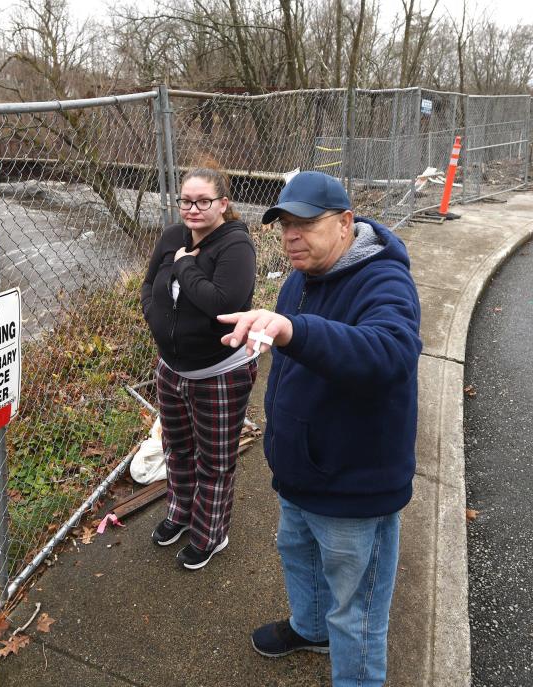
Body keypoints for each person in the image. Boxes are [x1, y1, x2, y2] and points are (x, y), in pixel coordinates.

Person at [217, 171, 422, 686]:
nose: (290, 235)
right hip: (301, 470)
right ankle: (309, 629)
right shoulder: (298, 278)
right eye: (284, 224)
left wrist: (292, 329)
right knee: (298, 555)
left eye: (305, 223)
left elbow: (391, 353)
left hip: (353, 483)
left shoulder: (385, 280)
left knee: (356, 610)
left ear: (346, 223)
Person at [140, 168, 259, 571]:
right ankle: (180, 511)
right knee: (177, 447)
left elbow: (222, 303)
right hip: (171, 368)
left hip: (219, 372)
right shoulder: (173, 237)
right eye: (186, 201)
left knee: (214, 458)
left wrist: (184, 267)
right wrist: (155, 318)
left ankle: (210, 533)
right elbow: (148, 286)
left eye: (202, 201)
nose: (192, 209)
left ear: (222, 204)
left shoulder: (236, 246)